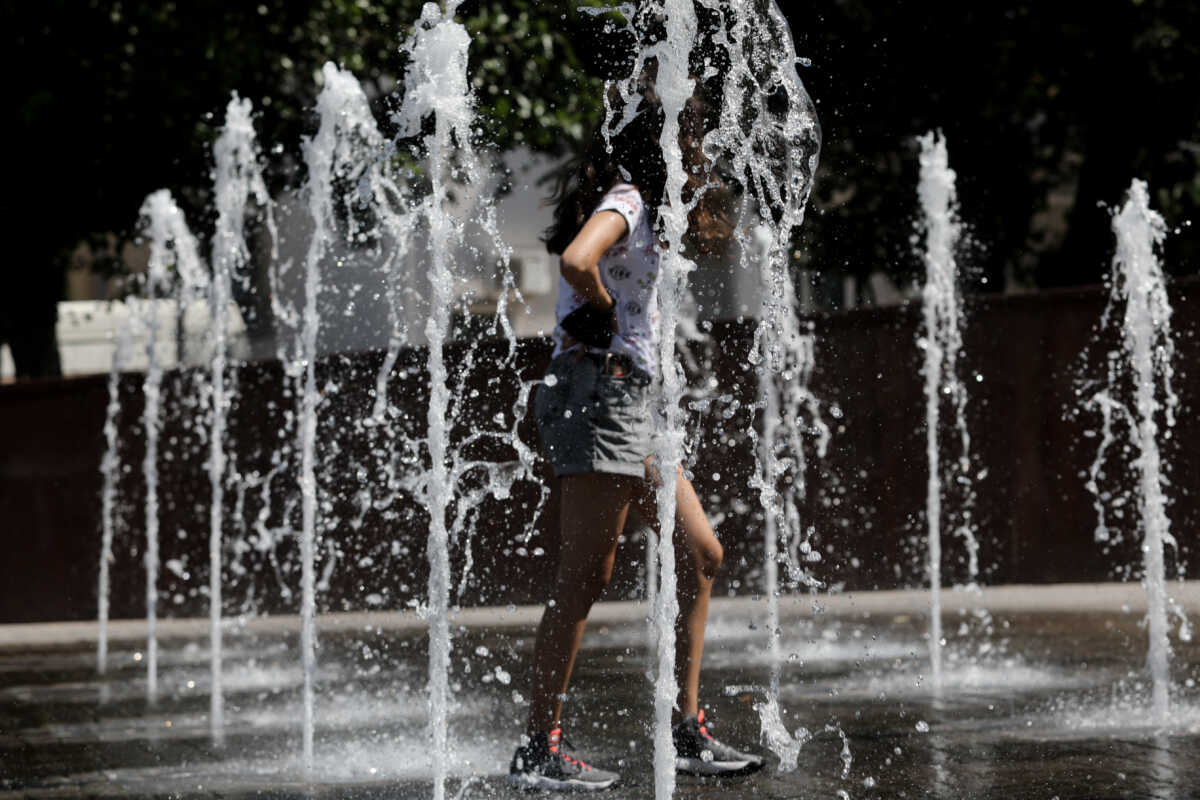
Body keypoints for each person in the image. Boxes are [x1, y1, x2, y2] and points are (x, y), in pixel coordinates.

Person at [507, 86, 764, 791]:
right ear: (663, 147)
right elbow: (577, 262)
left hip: (632, 400)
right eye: (690, 140)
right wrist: (606, 310)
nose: (698, 152)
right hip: (602, 395)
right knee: (584, 574)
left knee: (700, 551)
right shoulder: (629, 198)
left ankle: (686, 728)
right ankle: (539, 744)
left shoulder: (641, 205)